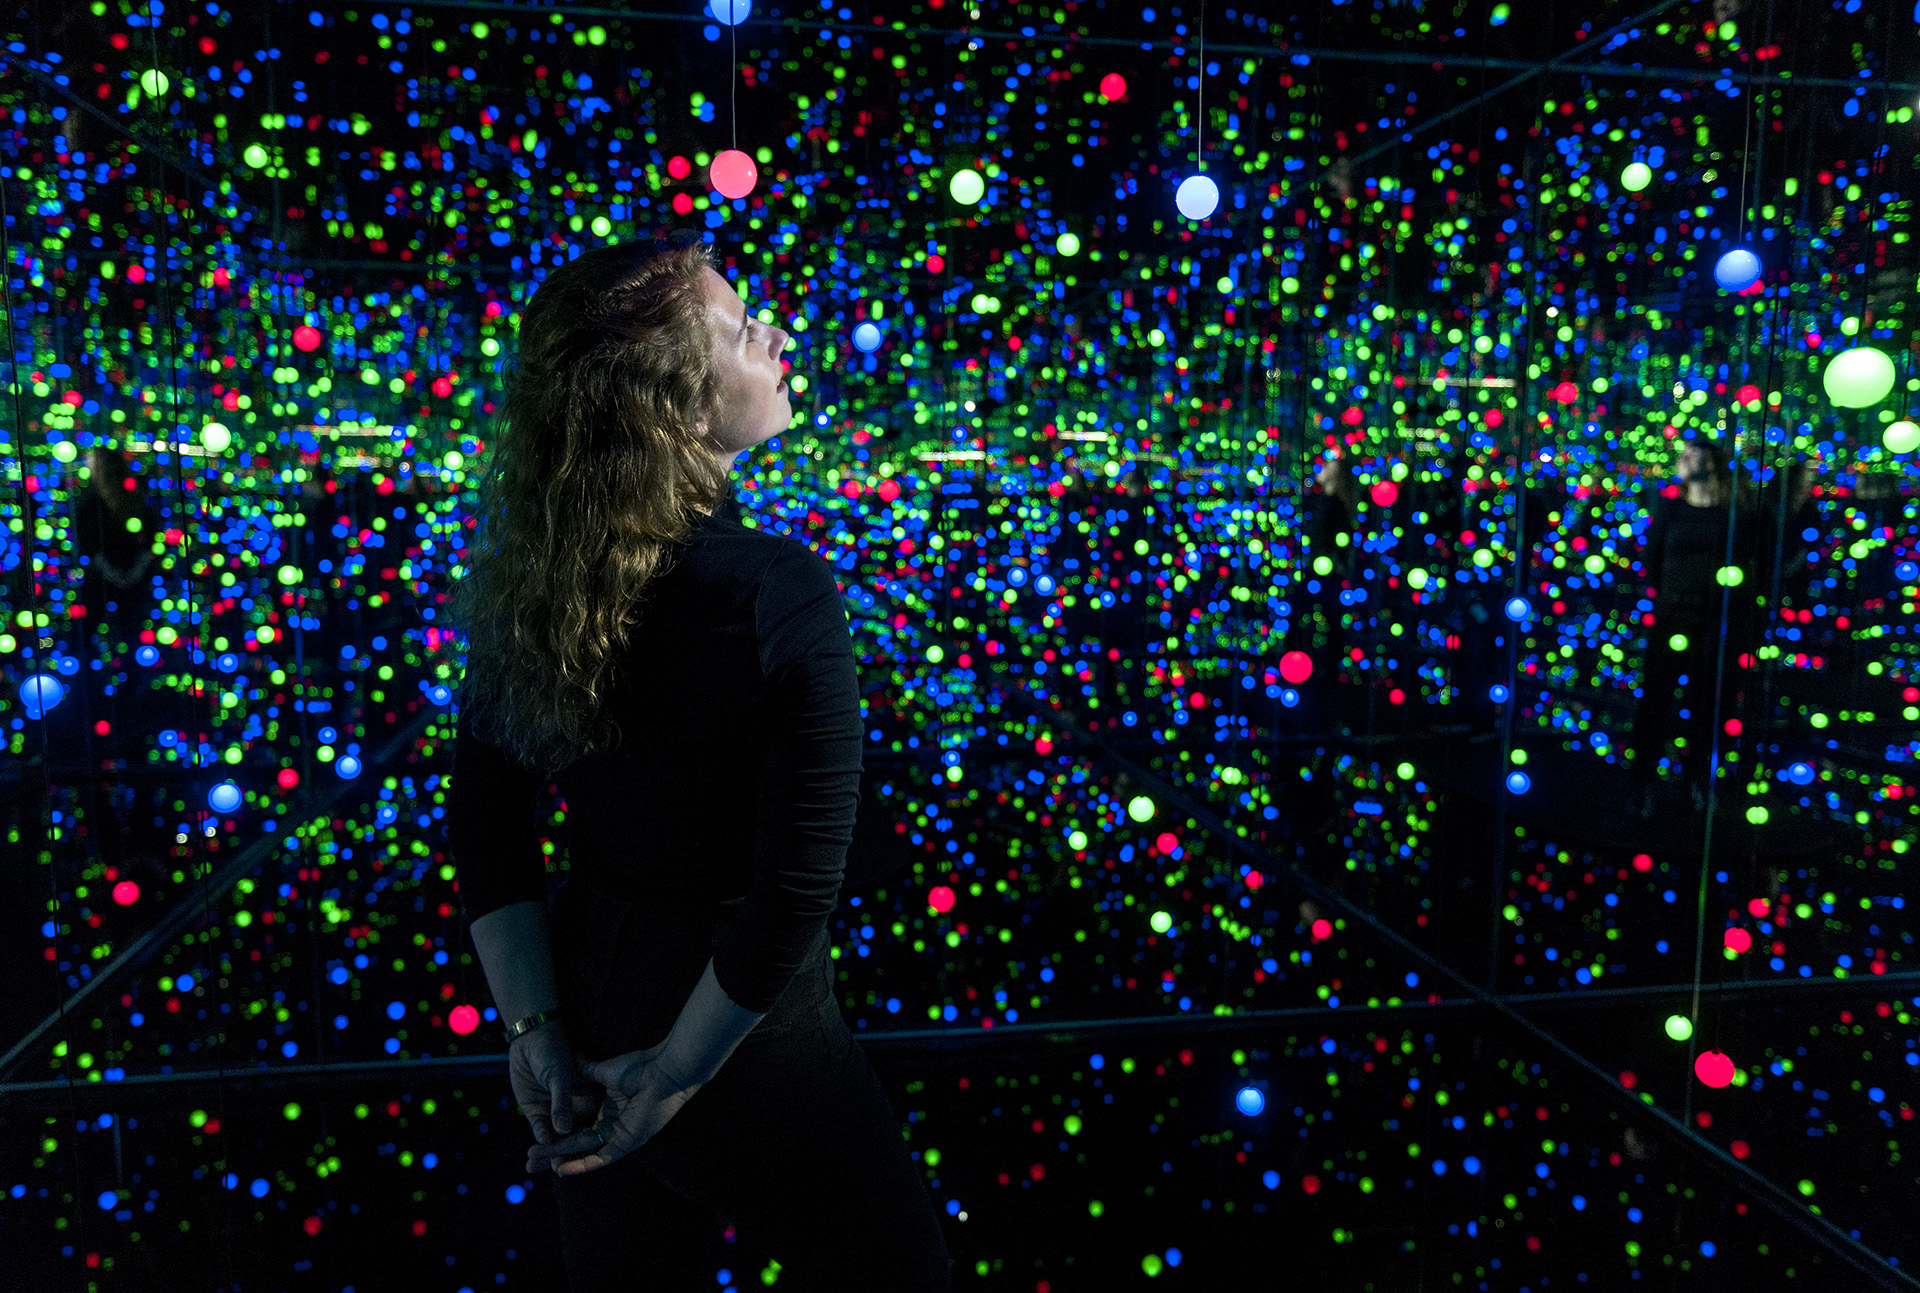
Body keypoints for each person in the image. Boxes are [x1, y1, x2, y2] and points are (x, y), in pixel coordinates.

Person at [446, 234, 952, 1291]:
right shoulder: (778, 589)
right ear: (671, 408)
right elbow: (796, 888)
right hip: (747, 1039)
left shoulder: (536, 587)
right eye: (736, 327)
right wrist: (673, 1078)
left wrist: (537, 1032)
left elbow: (489, 826)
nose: (774, 333)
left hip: (586, 1014)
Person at [1629, 439, 1768, 816]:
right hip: (1674, 616)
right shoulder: (1671, 507)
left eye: (1694, 453)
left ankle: (1697, 783)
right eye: (1683, 454)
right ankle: (1642, 783)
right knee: (1656, 702)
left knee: (1711, 706)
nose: (1684, 459)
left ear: (1713, 461)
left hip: (1720, 622)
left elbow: (1759, 564)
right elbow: (1651, 559)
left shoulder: (1739, 511)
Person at [71, 443, 162, 657]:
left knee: (85, 635)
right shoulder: (137, 498)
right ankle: (129, 684)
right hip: (129, 578)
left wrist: (111, 571)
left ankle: (94, 681)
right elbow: (150, 538)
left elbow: (87, 543)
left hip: (104, 578)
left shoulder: (91, 503)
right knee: (131, 637)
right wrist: (133, 572)